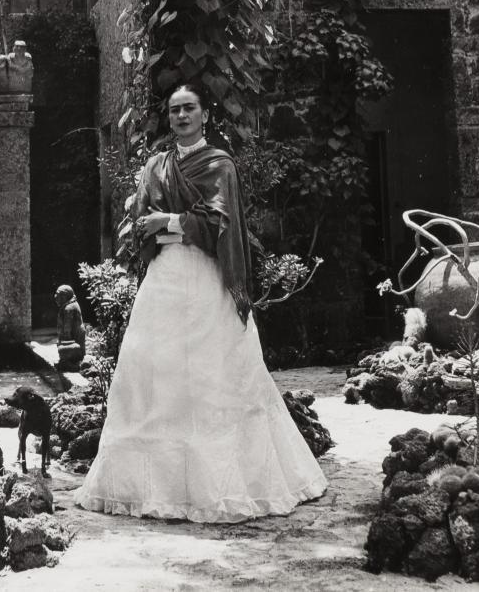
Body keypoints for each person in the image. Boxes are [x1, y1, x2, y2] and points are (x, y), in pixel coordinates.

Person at [73, 81, 327, 522]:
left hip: (208, 278)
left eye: (189, 108)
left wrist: (170, 221)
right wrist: (165, 225)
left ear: (204, 115)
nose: (181, 116)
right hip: (165, 278)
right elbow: (141, 225)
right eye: (174, 110)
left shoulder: (218, 165)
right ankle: (156, 488)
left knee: (212, 375)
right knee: (154, 371)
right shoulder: (156, 166)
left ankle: (220, 486)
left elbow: (219, 224)